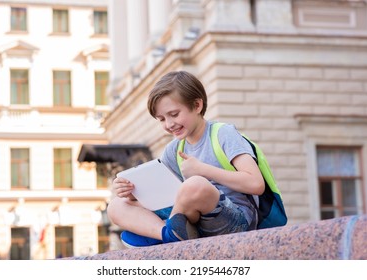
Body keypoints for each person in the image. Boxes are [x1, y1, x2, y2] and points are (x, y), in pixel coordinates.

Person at [107, 70, 265, 247]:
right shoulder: (174, 149)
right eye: (161, 119)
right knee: (116, 206)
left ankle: (162, 235)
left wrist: (203, 170)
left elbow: (256, 184)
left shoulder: (223, 134)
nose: (169, 124)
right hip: (192, 221)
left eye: (174, 114)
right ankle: (167, 234)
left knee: (195, 184)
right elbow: (164, 196)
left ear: (197, 105)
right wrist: (134, 193)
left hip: (235, 221)